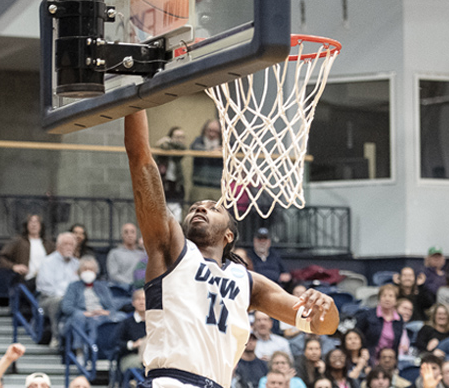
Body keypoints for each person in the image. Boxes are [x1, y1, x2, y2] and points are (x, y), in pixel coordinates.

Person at [125, 110, 337, 388]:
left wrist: (328, 306)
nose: (200, 207)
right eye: (194, 208)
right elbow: (141, 160)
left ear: (228, 235)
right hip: (170, 380)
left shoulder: (248, 281)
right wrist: (133, 99)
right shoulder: (171, 251)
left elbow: (322, 325)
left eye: (213, 208)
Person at [59, 255, 125, 350]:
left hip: (101, 314)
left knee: (122, 316)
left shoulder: (102, 287)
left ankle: (114, 349)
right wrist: (86, 313)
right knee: (79, 317)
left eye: (91, 269)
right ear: (79, 271)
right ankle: (80, 350)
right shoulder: (73, 287)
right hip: (83, 315)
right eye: (85, 269)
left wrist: (104, 312)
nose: (88, 272)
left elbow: (111, 306)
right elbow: (66, 307)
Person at [35, 232, 79, 341]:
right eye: (65, 244)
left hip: (72, 298)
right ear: (58, 246)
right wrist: (66, 295)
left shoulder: (78, 264)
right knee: (58, 302)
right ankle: (56, 337)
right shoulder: (48, 262)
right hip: (48, 298)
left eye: (71, 244)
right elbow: (46, 286)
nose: (69, 247)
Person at [0, 215, 53, 290]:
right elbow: (0, 258)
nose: (34, 224)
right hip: (28, 281)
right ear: (26, 225)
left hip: (47, 281)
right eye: (31, 222)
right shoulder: (18, 241)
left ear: (41, 225)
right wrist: (14, 266)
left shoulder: (48, 244)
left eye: (36, 222)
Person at [354, 284, 407, 360]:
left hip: (389, 359)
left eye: (391, 296)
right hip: (368, 357)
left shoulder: (399, 319)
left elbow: (396, 343)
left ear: (396, 300)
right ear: (379, 298)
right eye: (384, 296)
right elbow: (356, 334)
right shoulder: (367, 315)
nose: (387, 299)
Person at [190, 119, 224, 202]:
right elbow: (194, 147)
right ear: (204, 130)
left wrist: (224, 151)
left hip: (218, 187)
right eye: (210, 130)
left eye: (215, 131)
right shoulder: (199, 141)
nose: (212, 134)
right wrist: (212, 151)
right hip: (200, 186)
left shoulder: (224, 143)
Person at [114, 289, 146, 371]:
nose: (142, 302)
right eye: (138, 299)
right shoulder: (126, 323)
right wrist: (133, 345)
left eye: (144, 299)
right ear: (133, 302)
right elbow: (115, 342)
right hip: (131, 357)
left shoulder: (155, 322)